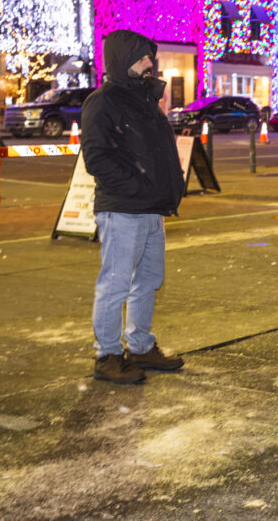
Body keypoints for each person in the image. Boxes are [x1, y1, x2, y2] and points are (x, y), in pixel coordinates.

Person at [80, 30, 187, 384]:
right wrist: (138, 187)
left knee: (149, 280)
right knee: (115, 284)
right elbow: (97, 158)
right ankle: (107, 354)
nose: (148, 64)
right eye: (141, 58)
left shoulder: (145, 99)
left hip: (152, 209)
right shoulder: (103, 102)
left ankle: (140, 346)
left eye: (149, 58)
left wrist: (166, 189)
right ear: (123, 60)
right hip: (124, 209)